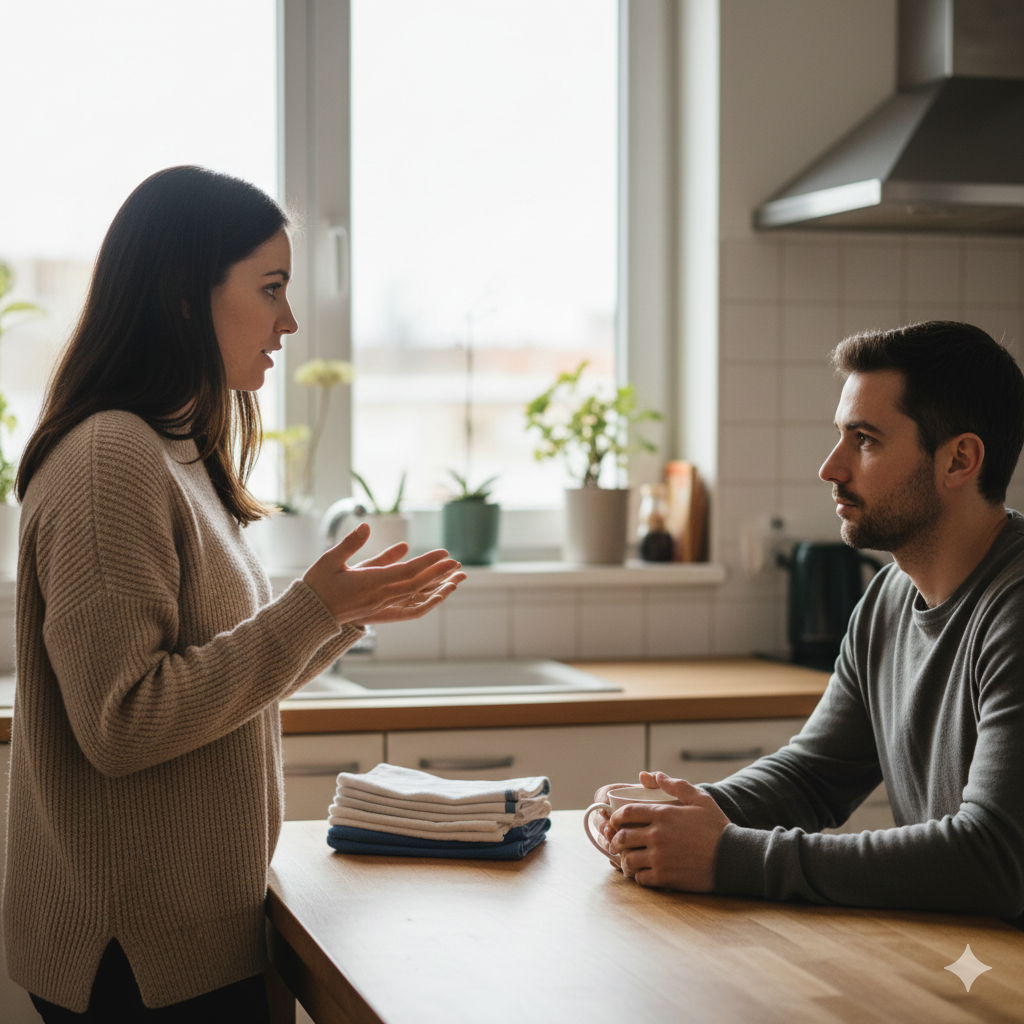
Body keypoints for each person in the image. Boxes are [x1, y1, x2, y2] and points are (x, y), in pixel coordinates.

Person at [2, 165, 466, 1020]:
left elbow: (213, 673)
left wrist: (336, 615)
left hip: (187, 936)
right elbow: (124, 722)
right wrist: (312, 611)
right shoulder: (112, 459)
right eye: (271, 288)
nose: (289, 321)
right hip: (136, 956)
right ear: (185, 296)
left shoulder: (176, 451)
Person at [594, 320, 1024, 926]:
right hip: (969, 961)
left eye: (865, 440)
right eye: (840, 437)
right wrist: (682, 815)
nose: (831, 467)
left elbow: (996, 859)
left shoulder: (1014, 608)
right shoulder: (889, 597)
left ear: (959, 460)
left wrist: (727, 855)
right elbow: (814, 776)